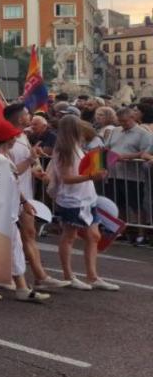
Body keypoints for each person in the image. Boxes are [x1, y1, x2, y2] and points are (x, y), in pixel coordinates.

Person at [2, 103, 67, 291]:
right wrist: (30, 161)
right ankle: (5, 276)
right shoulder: (5, 137)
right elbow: (9, 170)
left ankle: (40, 276)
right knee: (10, 239)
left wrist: (37, 170)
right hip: (10, 195)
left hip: (24, 194)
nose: (29, 116)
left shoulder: (23, 135)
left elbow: (30, 160)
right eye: (26, 113)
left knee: (29, 235)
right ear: (16, 117)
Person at [49, 116, 117, 291]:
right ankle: (69, 275)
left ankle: (93, 277)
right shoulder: (64, 150)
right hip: (72, 200)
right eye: (78, 125)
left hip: (87, 198)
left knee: (93, 236)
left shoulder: (76, 146)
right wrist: (91, 176)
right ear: (73, 128)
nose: (81, 127)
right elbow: (66, 178)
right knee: (69, 236)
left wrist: (96, 171)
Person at [0, 122, 51, 303]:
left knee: (9, 247)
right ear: (6, 138)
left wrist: (23, 201)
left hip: (7, 210)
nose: (16, 139)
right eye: (13, 136)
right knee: (12, 247)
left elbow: (14, 179)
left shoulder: (2, 156)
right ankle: (21, 287)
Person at [103, 106, 153, 235]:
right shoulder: (115, 131)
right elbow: (107, 147)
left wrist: (125, 157)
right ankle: (121, 231)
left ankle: (142, 233)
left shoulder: (143, 134)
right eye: (120, 121)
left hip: (132, 175)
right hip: (114, 174)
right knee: (118, 204)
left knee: (135, 204)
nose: (122, 124)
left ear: (133, 118)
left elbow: (145, 152)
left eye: (125, 121)